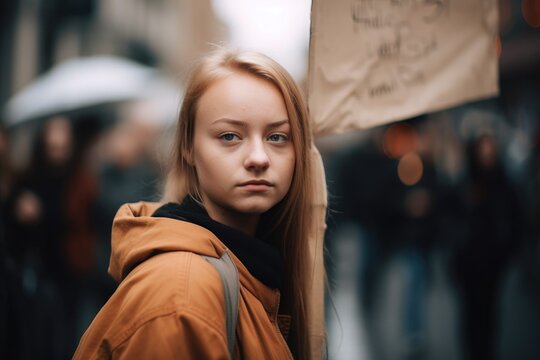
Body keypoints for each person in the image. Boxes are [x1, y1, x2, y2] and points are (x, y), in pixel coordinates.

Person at [74, 48, 317, 359]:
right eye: (230, 136)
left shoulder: (254, 268)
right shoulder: (182, 297)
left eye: (277, 137)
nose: (259, 158)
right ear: (188, 147)